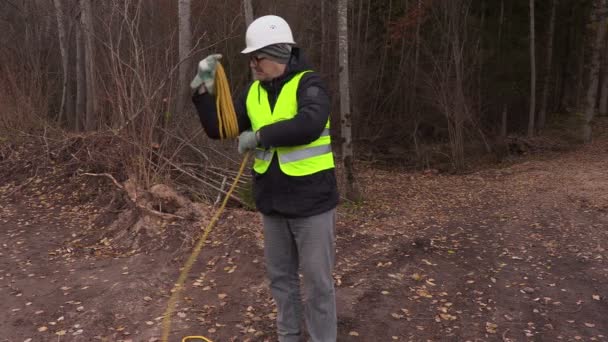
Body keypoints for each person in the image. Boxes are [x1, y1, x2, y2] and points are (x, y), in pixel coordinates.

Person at [191, 15, 339, 342]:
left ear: (281, 54)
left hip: (312, 205)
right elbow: (221, 129)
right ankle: (288, 337)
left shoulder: (310, 84)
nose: (253, 64)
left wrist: (260, 136)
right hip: (272, 205)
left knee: (317, 285)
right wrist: (203, 92)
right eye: (251, 58)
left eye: (258, 57)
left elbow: (310, 123)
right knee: (281, 281)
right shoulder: (253, 92)